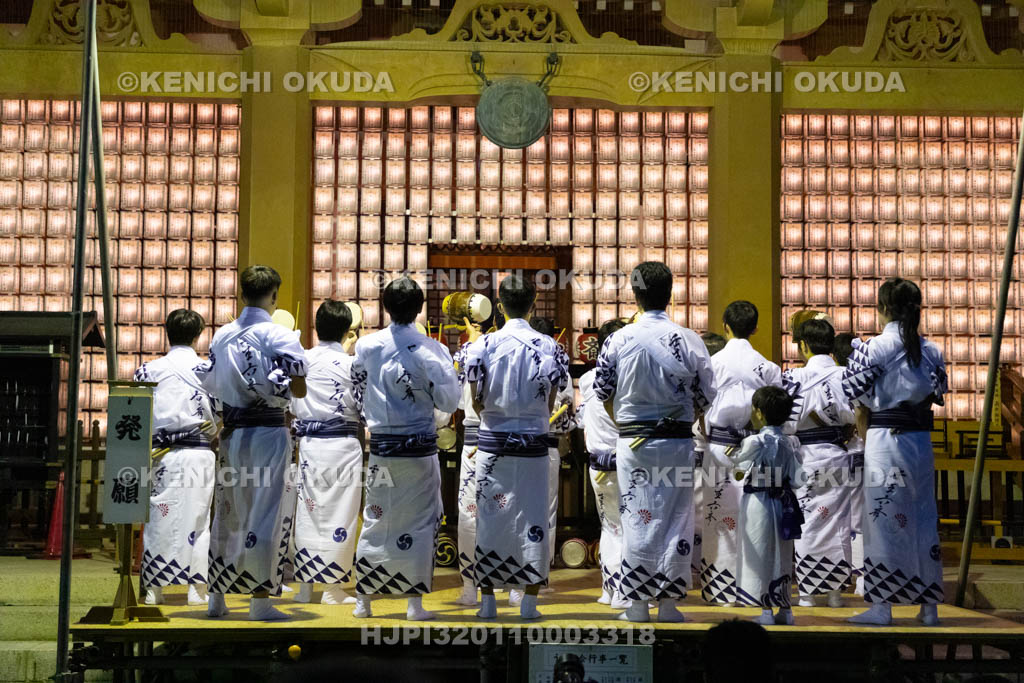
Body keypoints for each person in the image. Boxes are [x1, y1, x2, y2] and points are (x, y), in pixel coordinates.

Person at [594, 261, 716, 623]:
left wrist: (623, 423)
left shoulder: (618, 339)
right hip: (677, 442)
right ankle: (668, 604)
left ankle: (635, 604)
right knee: (675, 518)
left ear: (635, 295)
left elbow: (602, 390)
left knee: (635, 515)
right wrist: (687, 418)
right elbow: (707, 395)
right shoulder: (689, 339)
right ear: (671, 294)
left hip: (633, 442)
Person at [195, 265, 308, 621]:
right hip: (269, 432)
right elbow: (301, 388)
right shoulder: (281, 336)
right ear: (274, 295)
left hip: (233, 432)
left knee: (227, 511)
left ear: (242, 294)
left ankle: (217, 598)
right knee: (265, 512)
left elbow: (211, 386)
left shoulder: (220, 336)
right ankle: (260, 602)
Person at [351, 277, 460, 621]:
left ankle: (363, 601)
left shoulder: (368, 347)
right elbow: (449, 399)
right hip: (419, 451)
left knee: (376, 518)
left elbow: (355, 390)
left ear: (385, 307)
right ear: (418, 309)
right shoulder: (432, 350)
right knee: (421, 522)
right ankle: (413, 604)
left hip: (382, 448)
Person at [843, 278, 947, 626]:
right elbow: (936, 395)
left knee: (884, 519)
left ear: (883, 307)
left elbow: (853, 393)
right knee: (922, 519)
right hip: (920, 440)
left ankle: (882, 606)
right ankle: (928, 606)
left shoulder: (873, 348)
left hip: (886, 439)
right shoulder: (931, 350)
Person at [464, 274, 569, 620]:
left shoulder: (482, 346)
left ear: (498, 303)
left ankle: (488, 601)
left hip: (493, 442)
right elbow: (553, 398)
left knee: (491, 519)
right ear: (534, 301)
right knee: (533, 519)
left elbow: (475, 399)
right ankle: (529, 602)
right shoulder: (551, 346)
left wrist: (490, 414)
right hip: (535, 444)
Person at [700, 300, 782, 606]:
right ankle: (752, 588)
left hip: (719, 447)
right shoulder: (768, 368)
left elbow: (700, 404)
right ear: (756, 327)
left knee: (718, 518)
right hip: (756, 447)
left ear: (725, 325)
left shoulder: (712, 363)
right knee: (754, 518)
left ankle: (720, 590)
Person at [135, 309, 217, 607]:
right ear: (198, 335)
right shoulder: (209, 370)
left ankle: (154, 589)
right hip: (198, 453)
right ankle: (197, 589)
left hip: (163, 453)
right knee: (198, 520)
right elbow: (220, 412)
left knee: (160, 516)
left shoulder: (148, 370)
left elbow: (139, 413)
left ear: (166, 331)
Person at [290, 300, 362, 606]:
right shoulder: (352, 365)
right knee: (341, 514)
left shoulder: (301, 359)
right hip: (343, 444)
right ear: (348, 331)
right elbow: (364, 406)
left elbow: (290, 401)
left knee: (309, 512)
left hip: (309, 443)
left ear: (317, 328)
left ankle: (306, 587)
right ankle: (332, 588)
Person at [783, 318, 857, 608]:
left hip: (806, 456)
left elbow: (786, 423)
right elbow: (858, 413)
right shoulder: (847, 375)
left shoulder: (794, 377)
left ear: (803, 345)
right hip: (838, 454)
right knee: (838, 522)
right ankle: (836, 592)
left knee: (809, 521)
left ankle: (808, 593)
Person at [731, 385, 802, 626]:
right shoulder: (791, 442)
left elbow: (738, 473)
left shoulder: (753, 441)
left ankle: (765, 611)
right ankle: (786, 609)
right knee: (782, 553)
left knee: (760, 553)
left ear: (759, 413)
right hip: (782, 501)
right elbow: (798, 480)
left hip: (758, 502)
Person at [578, 318, 628, 609]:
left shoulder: (588, 379)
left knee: (610, 527)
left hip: (598, 463)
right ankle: (622, 590)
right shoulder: (631, 377)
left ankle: (609, 589)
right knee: (627, 527)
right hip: (625, 460)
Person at [530, 316, 576, 581]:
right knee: (546, 506)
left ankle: (519, 564)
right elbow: (566, 411)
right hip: (546, 443)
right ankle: (541, 565)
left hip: (522, 443)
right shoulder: (560, 369)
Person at [691, 331, 726, 586]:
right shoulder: (725, 378)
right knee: (711, 516)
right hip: (716, 456)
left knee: (696, 517)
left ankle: (695, 570)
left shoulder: (700, 380)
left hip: (701, 456)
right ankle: (710, 569)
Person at [453, 317, 483, 606]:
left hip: (476, 439)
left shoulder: (467, 353)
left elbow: (457, 402)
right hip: (508, 440)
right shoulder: (531, 348)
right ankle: (512, 586)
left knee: (470, 513)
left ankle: (470, 585)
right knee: (507, 511)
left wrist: (471, 342)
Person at [834, 331, 866, 596]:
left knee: (847, 519)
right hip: (867, 452)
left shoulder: (837, 380)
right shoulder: (865, 379)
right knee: (862, 519)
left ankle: (852, 575)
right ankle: (861, 576)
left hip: (846, 453)